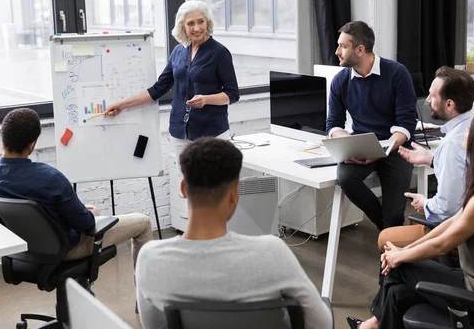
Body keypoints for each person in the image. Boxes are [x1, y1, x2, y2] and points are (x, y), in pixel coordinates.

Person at [346, 109, 474, 329]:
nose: (466, 130)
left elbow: (443, 244)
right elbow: (448, 226)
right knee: (397, 294)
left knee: (398, 267)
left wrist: (399, 257)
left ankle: (371, 325)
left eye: (472, 128)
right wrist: (402, 251)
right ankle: (373, 326)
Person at [135, 138, 333, 329]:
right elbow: (322, 324)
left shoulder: (150, 258)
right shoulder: (272, 253)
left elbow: (156, 326)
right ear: (234, 193)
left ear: (183, 189)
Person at [0, 108, 153, 271]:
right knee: (143, 223)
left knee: (93, 210)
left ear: (3, 138)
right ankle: (146, 301)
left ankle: (80, 294)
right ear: (32, 144)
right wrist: (85, 214)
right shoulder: (50, 178)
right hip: (63, 249)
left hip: (24, 250)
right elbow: (86, 224)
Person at [106, 0, 240, 157]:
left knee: (210, 182)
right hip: (180, 133)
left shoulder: (220, 53)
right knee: (185, 181)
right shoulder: (178, 52)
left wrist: (206, 99)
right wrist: (122, 105)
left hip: (211, 133)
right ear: (183, 26)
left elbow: (232, 94)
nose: (197, 28)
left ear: (207, 22)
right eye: (191, 23)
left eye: (201, 22)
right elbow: (158, 88)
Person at [327, 21, 416, 230]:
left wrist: (382, 149)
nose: (337, 51)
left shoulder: (397, 73)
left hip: (395, 147)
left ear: (360, 50)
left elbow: (405, 125)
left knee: (394, 214)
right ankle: (388, 230)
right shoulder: (340, 81)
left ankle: (391, 231)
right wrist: (346, 143)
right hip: (362, 145)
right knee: (346, 178)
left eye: (343, 46)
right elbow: (333, 124)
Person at [377, 67, 474, 249]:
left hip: (458, 232)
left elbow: (447, 207)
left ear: (449, 104)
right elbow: (465, 173)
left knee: (385, 238)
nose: (427, 100)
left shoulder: (452, 145)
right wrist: (431, 159)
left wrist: (425, 203)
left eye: (432, 96)